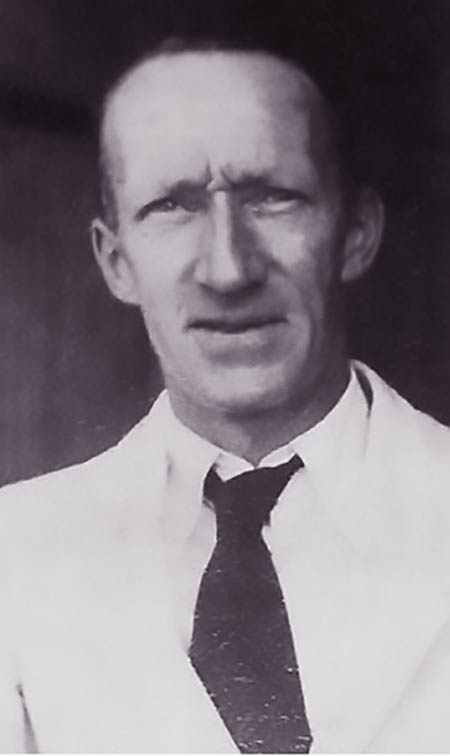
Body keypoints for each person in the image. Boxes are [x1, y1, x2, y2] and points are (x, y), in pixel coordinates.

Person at [2, 35, 450, 754]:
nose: (228, 269)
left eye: (273, 198)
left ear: (356, 233)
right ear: (116, 262)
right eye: (172, 206)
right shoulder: (17, 555)